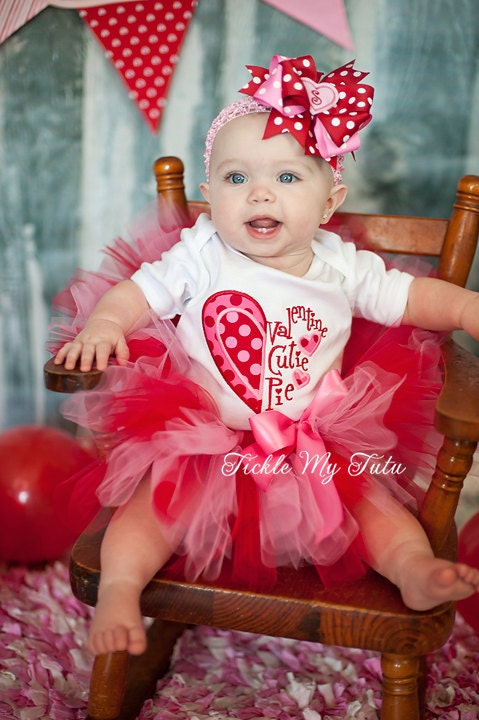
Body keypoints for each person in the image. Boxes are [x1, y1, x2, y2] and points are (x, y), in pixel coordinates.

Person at [50, 55, 479, 658]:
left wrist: (463, 309)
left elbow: (409, 296)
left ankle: (412, 570)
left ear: (330, 202)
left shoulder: (339, 264)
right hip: (205, 438)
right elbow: (139, 291)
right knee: (152, 510)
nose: (258, 192)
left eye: (287, 178)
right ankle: (122, 589)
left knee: (374, 505)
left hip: (311, 442)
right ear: (208, 196)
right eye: (234, 178)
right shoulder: (201, 253)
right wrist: (103, 322)